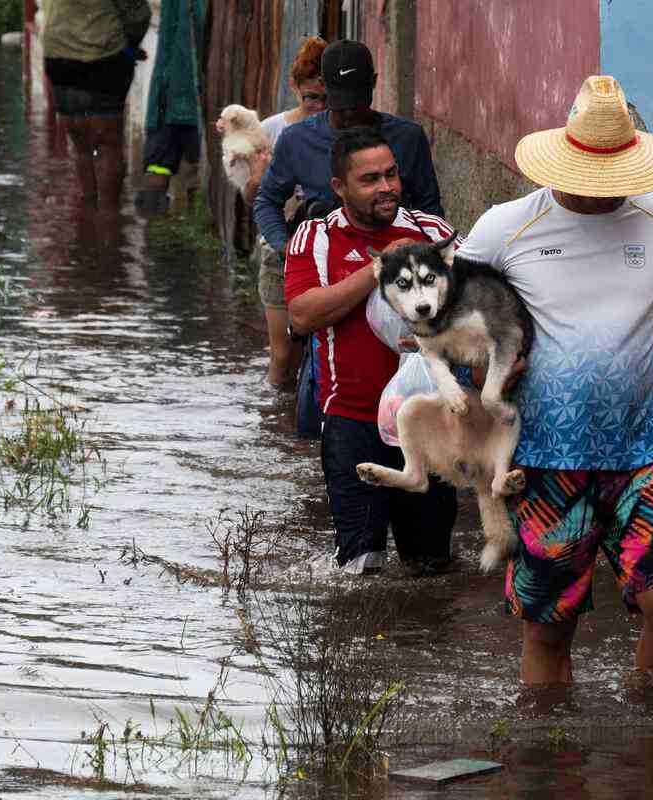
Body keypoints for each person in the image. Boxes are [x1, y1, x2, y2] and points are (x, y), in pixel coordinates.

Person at [457, 76, 653, 684]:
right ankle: (548, 760)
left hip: (638, 453)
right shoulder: (507, 227)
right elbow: (444, 317)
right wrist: (479, 367)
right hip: (542, 461)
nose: (603, 194)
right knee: (550, 629)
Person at [283, 128, 457, 574]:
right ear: (339, 187)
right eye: (370, 179)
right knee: (360, 569)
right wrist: (380, 267)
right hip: (351, 423)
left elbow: (473, 311)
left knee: (430, 569)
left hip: (429, 421)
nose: (387, 187)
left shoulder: (432, 232)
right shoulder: (315, 237)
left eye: (392, 174)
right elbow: (302, 316)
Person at [253, 39, 444, 264]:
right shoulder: (296, 140)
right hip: (323, 260)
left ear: (374, 82)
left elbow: (429, 208)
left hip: (393, 263)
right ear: (323, 85)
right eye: (342, 105)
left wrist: (423, 252)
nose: (351, 114)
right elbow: (266, 201)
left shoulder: (408, 138)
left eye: (357, 103)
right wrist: (288, 249)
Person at [241, 35, 328, 389]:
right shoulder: (274, 131)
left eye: (326, 100)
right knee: (283, 352)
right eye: (311, 99)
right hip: (281, 249)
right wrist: (259, 179)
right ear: (294, 88)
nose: (319, 109)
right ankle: (277, 427)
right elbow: (252, 198)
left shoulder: (341, 132)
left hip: (329, 246)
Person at [42, 0, 151, 208]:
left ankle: (87, 218)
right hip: (104, 54)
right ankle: (110, 222)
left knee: (81, 145)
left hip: (57, 54)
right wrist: (131, 46)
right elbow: (138, 14)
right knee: (108, 144)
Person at [134, 0, 207, 213]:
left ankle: (153, 228)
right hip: (185, 95)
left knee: (159, 167)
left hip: (170, 93)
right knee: (196, 170)